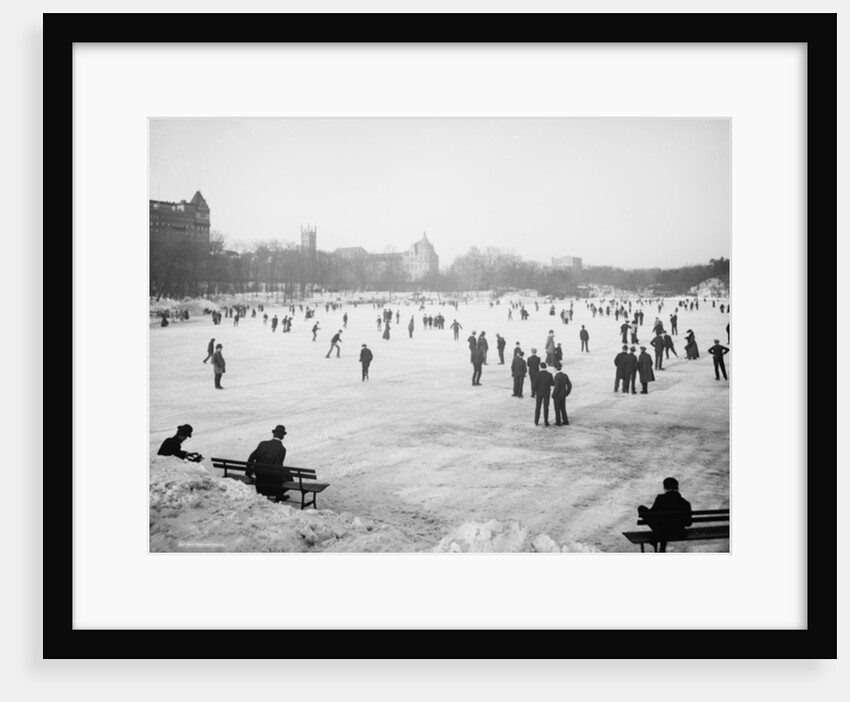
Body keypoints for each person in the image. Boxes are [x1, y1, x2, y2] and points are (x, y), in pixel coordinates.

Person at [637, 477, 693, 552]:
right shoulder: (686, 503)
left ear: (664, 487)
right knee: (664, 524)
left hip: (661, 533)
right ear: (677, 487)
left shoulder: (660, 499)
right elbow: (688, 523)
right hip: (679, 533)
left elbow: (652, 515)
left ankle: (660, 544)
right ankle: (662, 544)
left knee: (642, 509)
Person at [532, 362, 554, 426]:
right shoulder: (549, 374)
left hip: (539, 392)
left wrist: (535, 391)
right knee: (546, 407)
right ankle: (546, 421)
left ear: (540, 367)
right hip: (546, 392)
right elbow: (552, 383)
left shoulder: (537, 374)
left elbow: (534, 384)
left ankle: (536, 421)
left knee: (538, 407)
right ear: (546, 367)